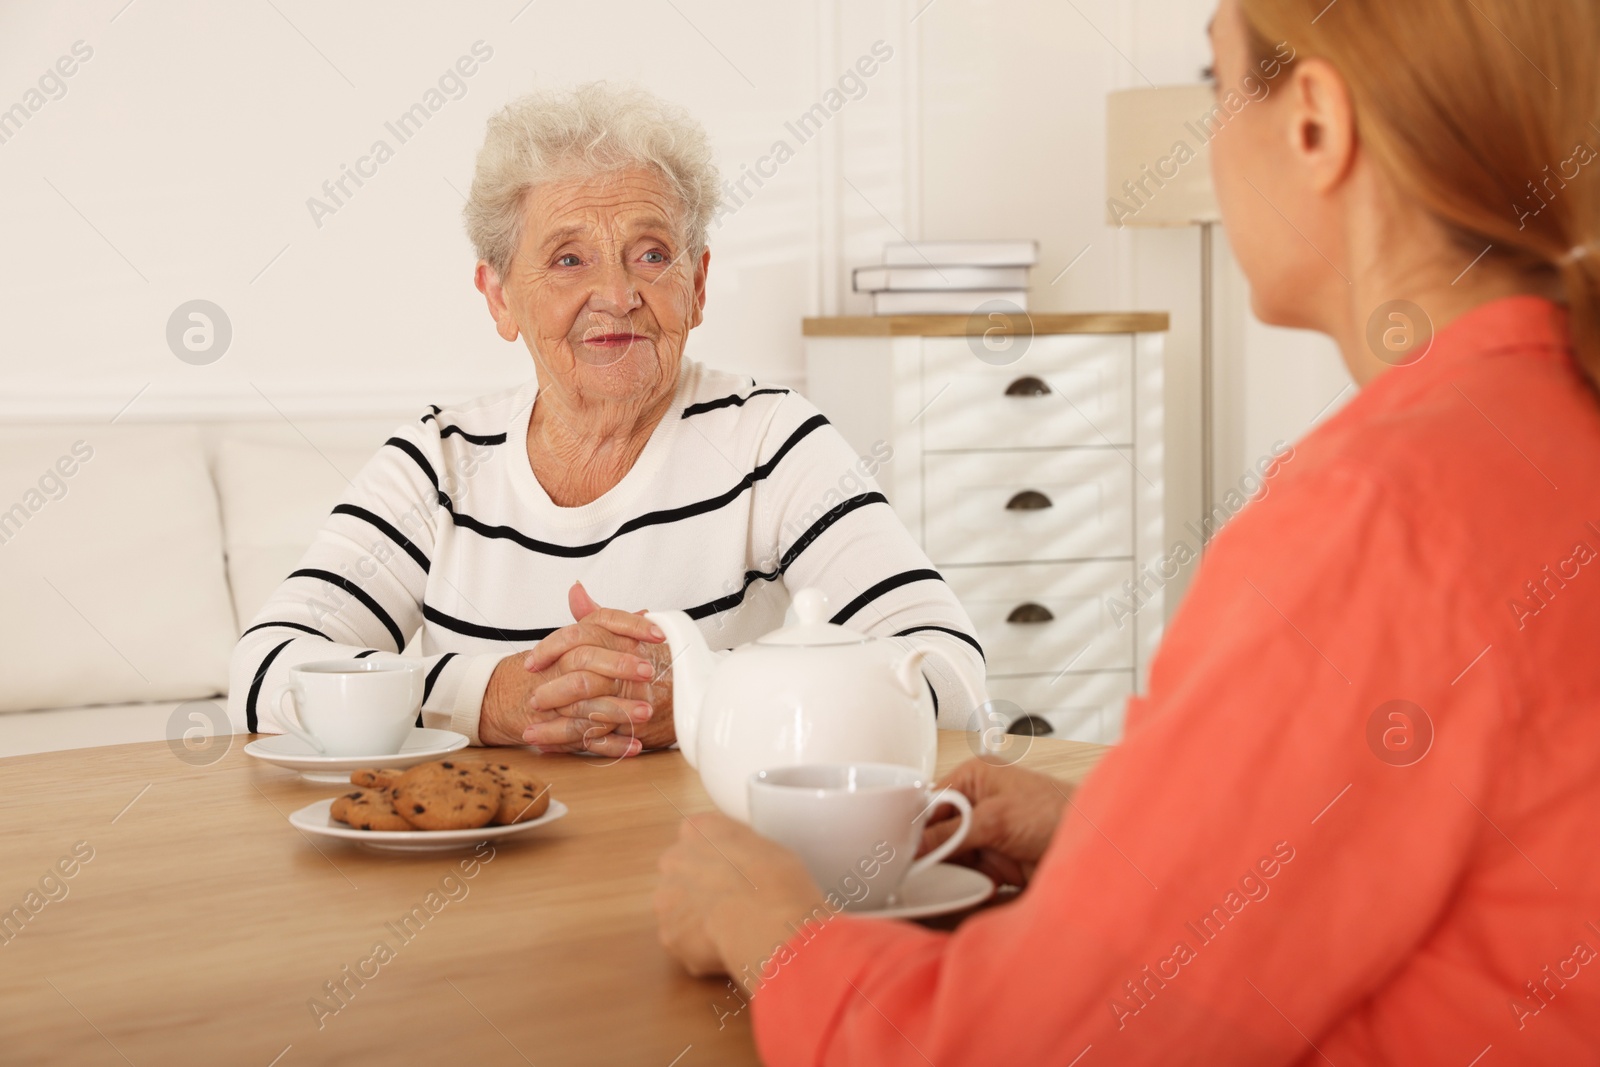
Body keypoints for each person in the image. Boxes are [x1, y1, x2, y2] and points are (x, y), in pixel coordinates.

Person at [654, 0, 1600, 1060]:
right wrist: (1119, 838)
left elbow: (1025, 1048)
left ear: (1316, 128)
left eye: (1215, 85)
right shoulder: (1548, 436)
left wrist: (770, 926)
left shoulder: (1383, 512)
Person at [228, 83, 984, 756]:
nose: (618, 293)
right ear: (499, 298)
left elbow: (949, 669)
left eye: (651, 253)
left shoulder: (770, 441)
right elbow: (263, 668)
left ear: (698, 283)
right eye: (567, 260)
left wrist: (702, 688)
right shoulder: (439, 461)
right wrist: (495, 696)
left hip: (719, 866)